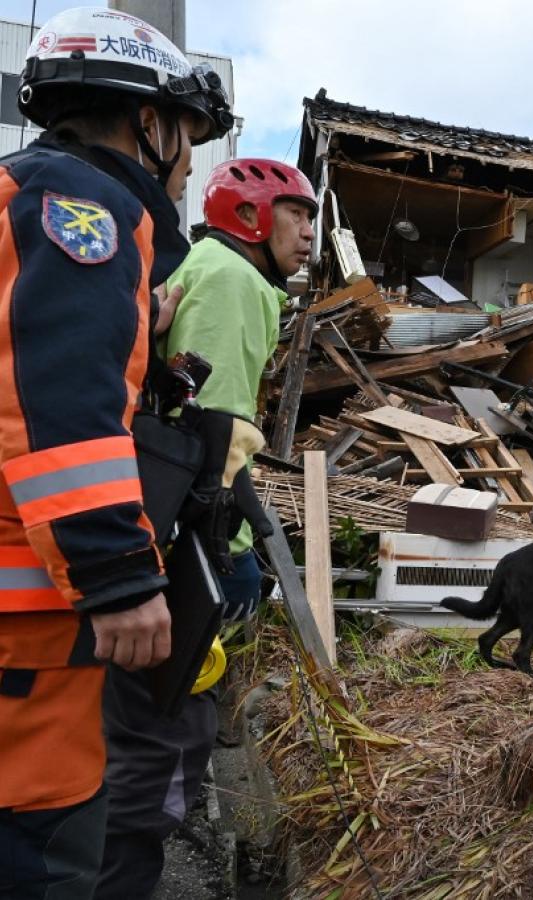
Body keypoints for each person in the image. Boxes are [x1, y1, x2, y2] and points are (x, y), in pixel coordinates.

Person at [0, 7, 231, 899]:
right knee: (46, 856)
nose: (184, 165)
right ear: (151, 122)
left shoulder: (25, 197)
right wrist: (120, 575)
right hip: (28, 642)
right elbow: (56, 401)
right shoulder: (83, 210)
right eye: (187, 139)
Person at [96, 157, 316, 898]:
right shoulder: (233, 280)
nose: (310, 232)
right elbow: (208, 433)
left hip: (165, 522)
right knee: (166, 728)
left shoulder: (221, 270)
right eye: (297, 214)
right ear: (251, 218)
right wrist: (224, 544)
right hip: (184, 537)